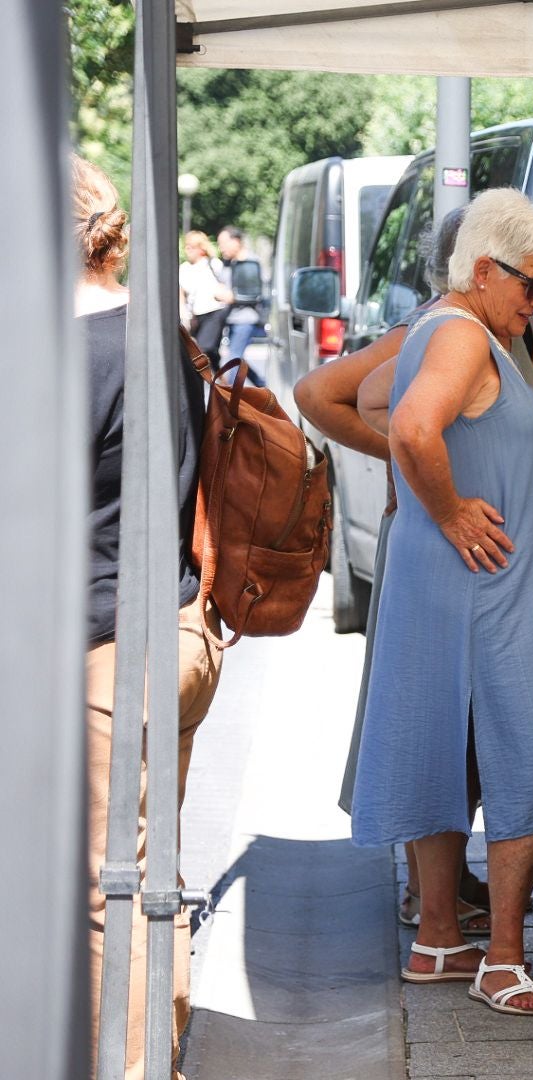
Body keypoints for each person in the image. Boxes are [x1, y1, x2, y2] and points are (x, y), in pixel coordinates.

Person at [294, 205, 533, 930]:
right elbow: (329, 397)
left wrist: (527, 441)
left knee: (456, 731)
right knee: (447, 730)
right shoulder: (447, 330)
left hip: (506, 551)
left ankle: (440, 918)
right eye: (532, 284)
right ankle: (439, 907)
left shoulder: (517, 333)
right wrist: (433, 485)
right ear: (479, 268)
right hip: (459, 555)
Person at [77, 155, 223, 1079]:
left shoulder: (62, 351)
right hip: (177, 633)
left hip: (103, 654)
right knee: (148, 872)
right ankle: (162, 1051)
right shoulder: (162, 333)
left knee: (106, 895)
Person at [215, 225, 264, 386]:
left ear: (236, 241)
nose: (221, 248)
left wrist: (234, 297)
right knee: (238, 358)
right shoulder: (228, 264)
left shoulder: (251, 262)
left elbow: (257, 292)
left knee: (234, 358)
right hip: (231, 317)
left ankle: (230, 396)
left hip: (246, 318)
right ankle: (263, 385)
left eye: (223, 243)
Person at [178, 230, 230, 369]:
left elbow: (226, 285)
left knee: (202, 348)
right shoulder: (184, 269)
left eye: (191, 247)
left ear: (201, 248)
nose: (188, 250)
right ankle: (221, 377)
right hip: (196, 315)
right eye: (186, 246)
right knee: (207, 354)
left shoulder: (214, 264)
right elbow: (181, 294)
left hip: (214, 312)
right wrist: (185, 316)